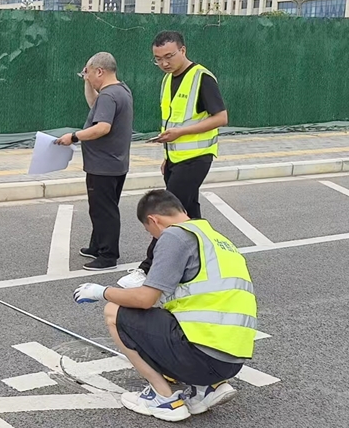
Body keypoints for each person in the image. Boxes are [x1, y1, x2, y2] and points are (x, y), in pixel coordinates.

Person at [73, 189, 257, 422]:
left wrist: (102, 292)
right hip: (232, 361)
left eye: (149, 231)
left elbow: (145, 300)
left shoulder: (174, 236)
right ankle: (206, 389)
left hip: (202, 358)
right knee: (163, 315)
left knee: (113, 311)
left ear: (153, 220)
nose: (153, 237)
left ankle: (163, 398)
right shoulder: (216, 239)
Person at [118, 30, 228, 289]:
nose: (164, 63)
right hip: (175, 158)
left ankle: (147, 269)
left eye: (169, 56)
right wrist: (168, 156)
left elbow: (221, 118)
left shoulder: (201, 77)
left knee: (165, 212)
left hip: (197, 158)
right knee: (190, 212)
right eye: (158, 59)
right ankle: (209, 258)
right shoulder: (168, 80)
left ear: (183, 50)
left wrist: (181, 133)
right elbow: (173, 121)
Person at [55, 52, 133, 271]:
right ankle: (97, 245)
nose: (87, 77)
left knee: (103, 210)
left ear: (100, 71)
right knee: (103, 207)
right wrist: (87, 81)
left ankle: (108, 255)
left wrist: (74, 136)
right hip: (116, 163)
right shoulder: (121, 90)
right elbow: (94, 105)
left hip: (103, 165)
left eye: (88, 74)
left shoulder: (109, 95)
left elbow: (102, 127)